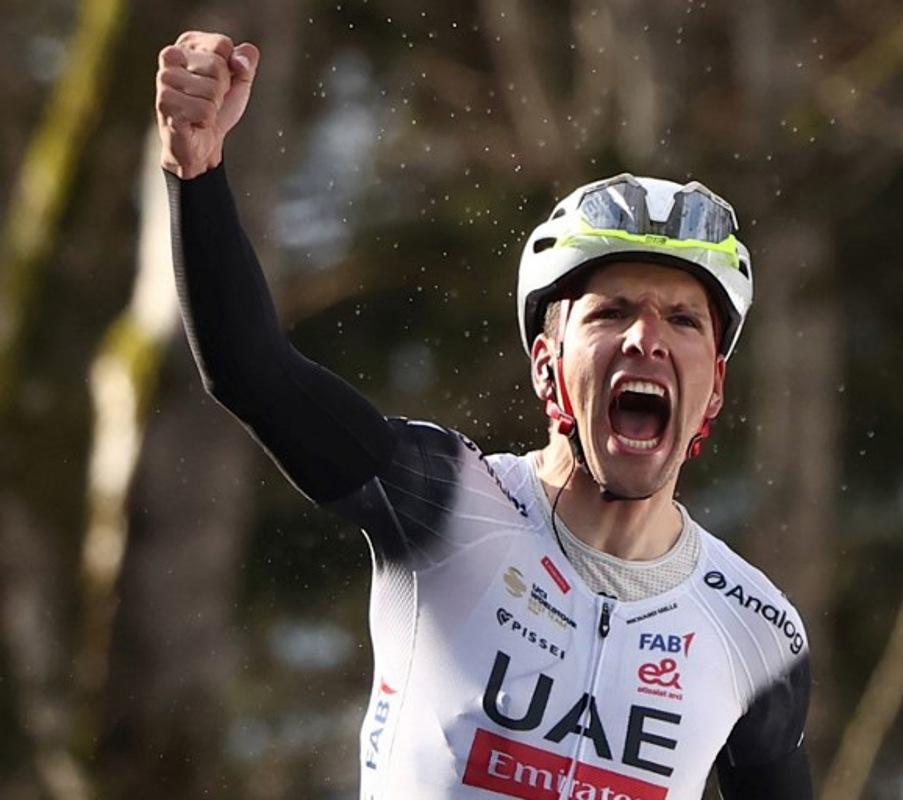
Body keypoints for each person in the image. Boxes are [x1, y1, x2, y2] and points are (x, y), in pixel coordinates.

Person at [156, 30, 812, 800]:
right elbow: (253, 373)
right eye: (611, 313)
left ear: (717, 388)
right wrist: (194, 172)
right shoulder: (440, 499)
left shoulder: (757, 632)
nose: (646, 338)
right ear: (546, 364)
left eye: (682, 319)